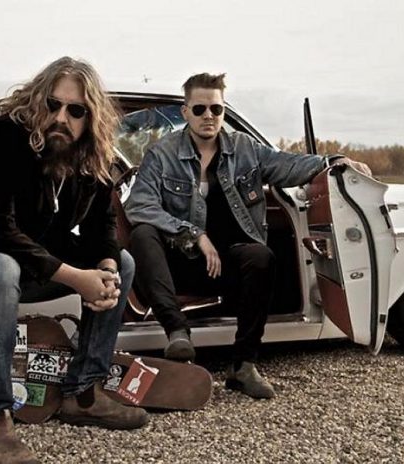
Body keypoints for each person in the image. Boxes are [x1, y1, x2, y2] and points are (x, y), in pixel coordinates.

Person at [0, 57, 148, 464]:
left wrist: (103, 269)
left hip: (24, 255)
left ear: (91, 118)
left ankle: (85, 394)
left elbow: (101, 229)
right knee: (1, 265)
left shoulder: (93, 157)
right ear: (37, 101)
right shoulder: (4, 139)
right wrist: (77, 278)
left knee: (122, 263)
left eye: (76, 111)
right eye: (52, 105)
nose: (61, 118)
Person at [124, 72, 371, 399]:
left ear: (224, 111)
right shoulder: (163, 153)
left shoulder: (245, 149)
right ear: (185, 112)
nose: (208, 117)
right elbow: (139, 206)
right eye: (199, 109)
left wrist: (332, 161)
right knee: (142, 235)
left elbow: (287, 165)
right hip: (180, 262)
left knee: (261, 256)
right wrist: (193, 233)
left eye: (216, 109)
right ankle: (177, 333)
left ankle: (243, 365)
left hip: (230, 264)